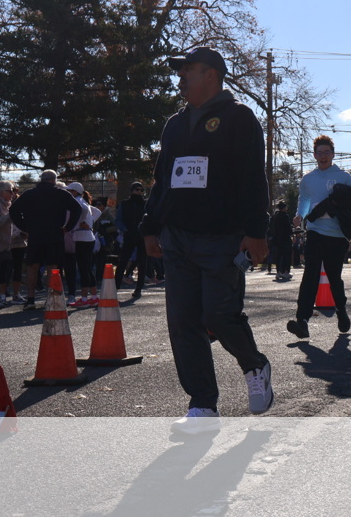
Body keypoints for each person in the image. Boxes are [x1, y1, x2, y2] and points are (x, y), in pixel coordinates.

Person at [141, 46, 273, 435]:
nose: (180, 77)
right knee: (183, 322)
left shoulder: (239, 118)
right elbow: (162, 180)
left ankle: (254, 365)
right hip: (177, 237)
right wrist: (150, 226)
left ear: (211, 75)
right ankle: (203, 404)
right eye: (179, 72)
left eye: (188, 70)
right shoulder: (174, 124)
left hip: (222, 237)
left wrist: (256, 232)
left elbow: (253, 177)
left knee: (219, 316)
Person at [287, 134, 351, 339]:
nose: (323, 156)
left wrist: (342, 205)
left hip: (337, 235)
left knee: (333, 276)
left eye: (327, 152)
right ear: (314, 155)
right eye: (319, 153)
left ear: (333, 154)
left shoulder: (343, 177)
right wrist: (300, 215)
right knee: (310, 276)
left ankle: (341, 310)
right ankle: (302, 320)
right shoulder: (308, 179)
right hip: (315, 231)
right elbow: (304, 199)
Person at [9, 169, 82, 310]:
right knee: (52, 267)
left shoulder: (29, 194)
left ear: (41, 179)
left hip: (35, 234)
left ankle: (30, 299)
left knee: (32, 266)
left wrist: (24, 226)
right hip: (54, 234)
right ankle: (51, 298)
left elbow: (13, 210)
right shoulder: (61, 194)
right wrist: (68, 227)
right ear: (54, 180)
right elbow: (76, 209)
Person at [67, 183, 101, 307]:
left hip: (82, 237)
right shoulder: (83, 201)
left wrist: (82, 222)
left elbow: (84, 210)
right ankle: (94, 297)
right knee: (87, 268)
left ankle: (84, 298)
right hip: (87, 236)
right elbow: (97, 212)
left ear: (75, 192)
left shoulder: (77, 201)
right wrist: (90, 222)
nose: (68, 193)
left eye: (70, 191)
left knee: (83, 269)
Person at [115, 181, 148, 298]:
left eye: (141, 190)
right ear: (132, 191)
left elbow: (151, 218)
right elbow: (118, 219)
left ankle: (139, 289)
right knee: (123, 261)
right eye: (136, 190)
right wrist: (125, 229)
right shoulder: (124, 204)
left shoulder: (146, 204)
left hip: (142, 236)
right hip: (129, 235)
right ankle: (115, 286)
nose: (139, 192)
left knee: (142, 263)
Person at [268, 201, 293, 281]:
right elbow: (288, 228)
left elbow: (272, 228)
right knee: (286, 256)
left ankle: (278, 272)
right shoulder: (285, 216)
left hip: (277, 239)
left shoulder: (275, 217)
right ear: (284, 208)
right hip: (285, 239)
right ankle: (286, 271)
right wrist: (291, 233)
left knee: (278, 256)